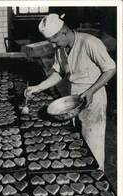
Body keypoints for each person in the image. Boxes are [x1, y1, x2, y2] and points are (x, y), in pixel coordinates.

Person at [25, 13, 116, 171]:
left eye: (54, 41)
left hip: (93, 98)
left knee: (92, 143)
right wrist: (37, 87)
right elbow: (58, 73)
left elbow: (110, 68)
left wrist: (91, 91)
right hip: (73, 99)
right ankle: (81, 176)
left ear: (64, 32)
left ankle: (96, 177)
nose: (53, 46)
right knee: (76, 142)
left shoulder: (89, 42)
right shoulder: (62, 48)